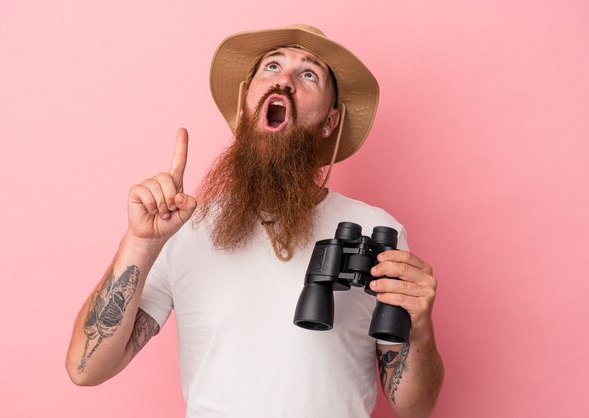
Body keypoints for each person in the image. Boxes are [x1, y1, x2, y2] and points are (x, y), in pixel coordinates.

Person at [66, 24, 444, 417]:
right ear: (246, 102)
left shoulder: (375, 230)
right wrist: (141, 242)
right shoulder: (184, 230)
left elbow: (414, 408)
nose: (284, 80)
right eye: (271, 66)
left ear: (330, 122)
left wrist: (420, 329)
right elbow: (85, 368)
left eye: (308, 74)